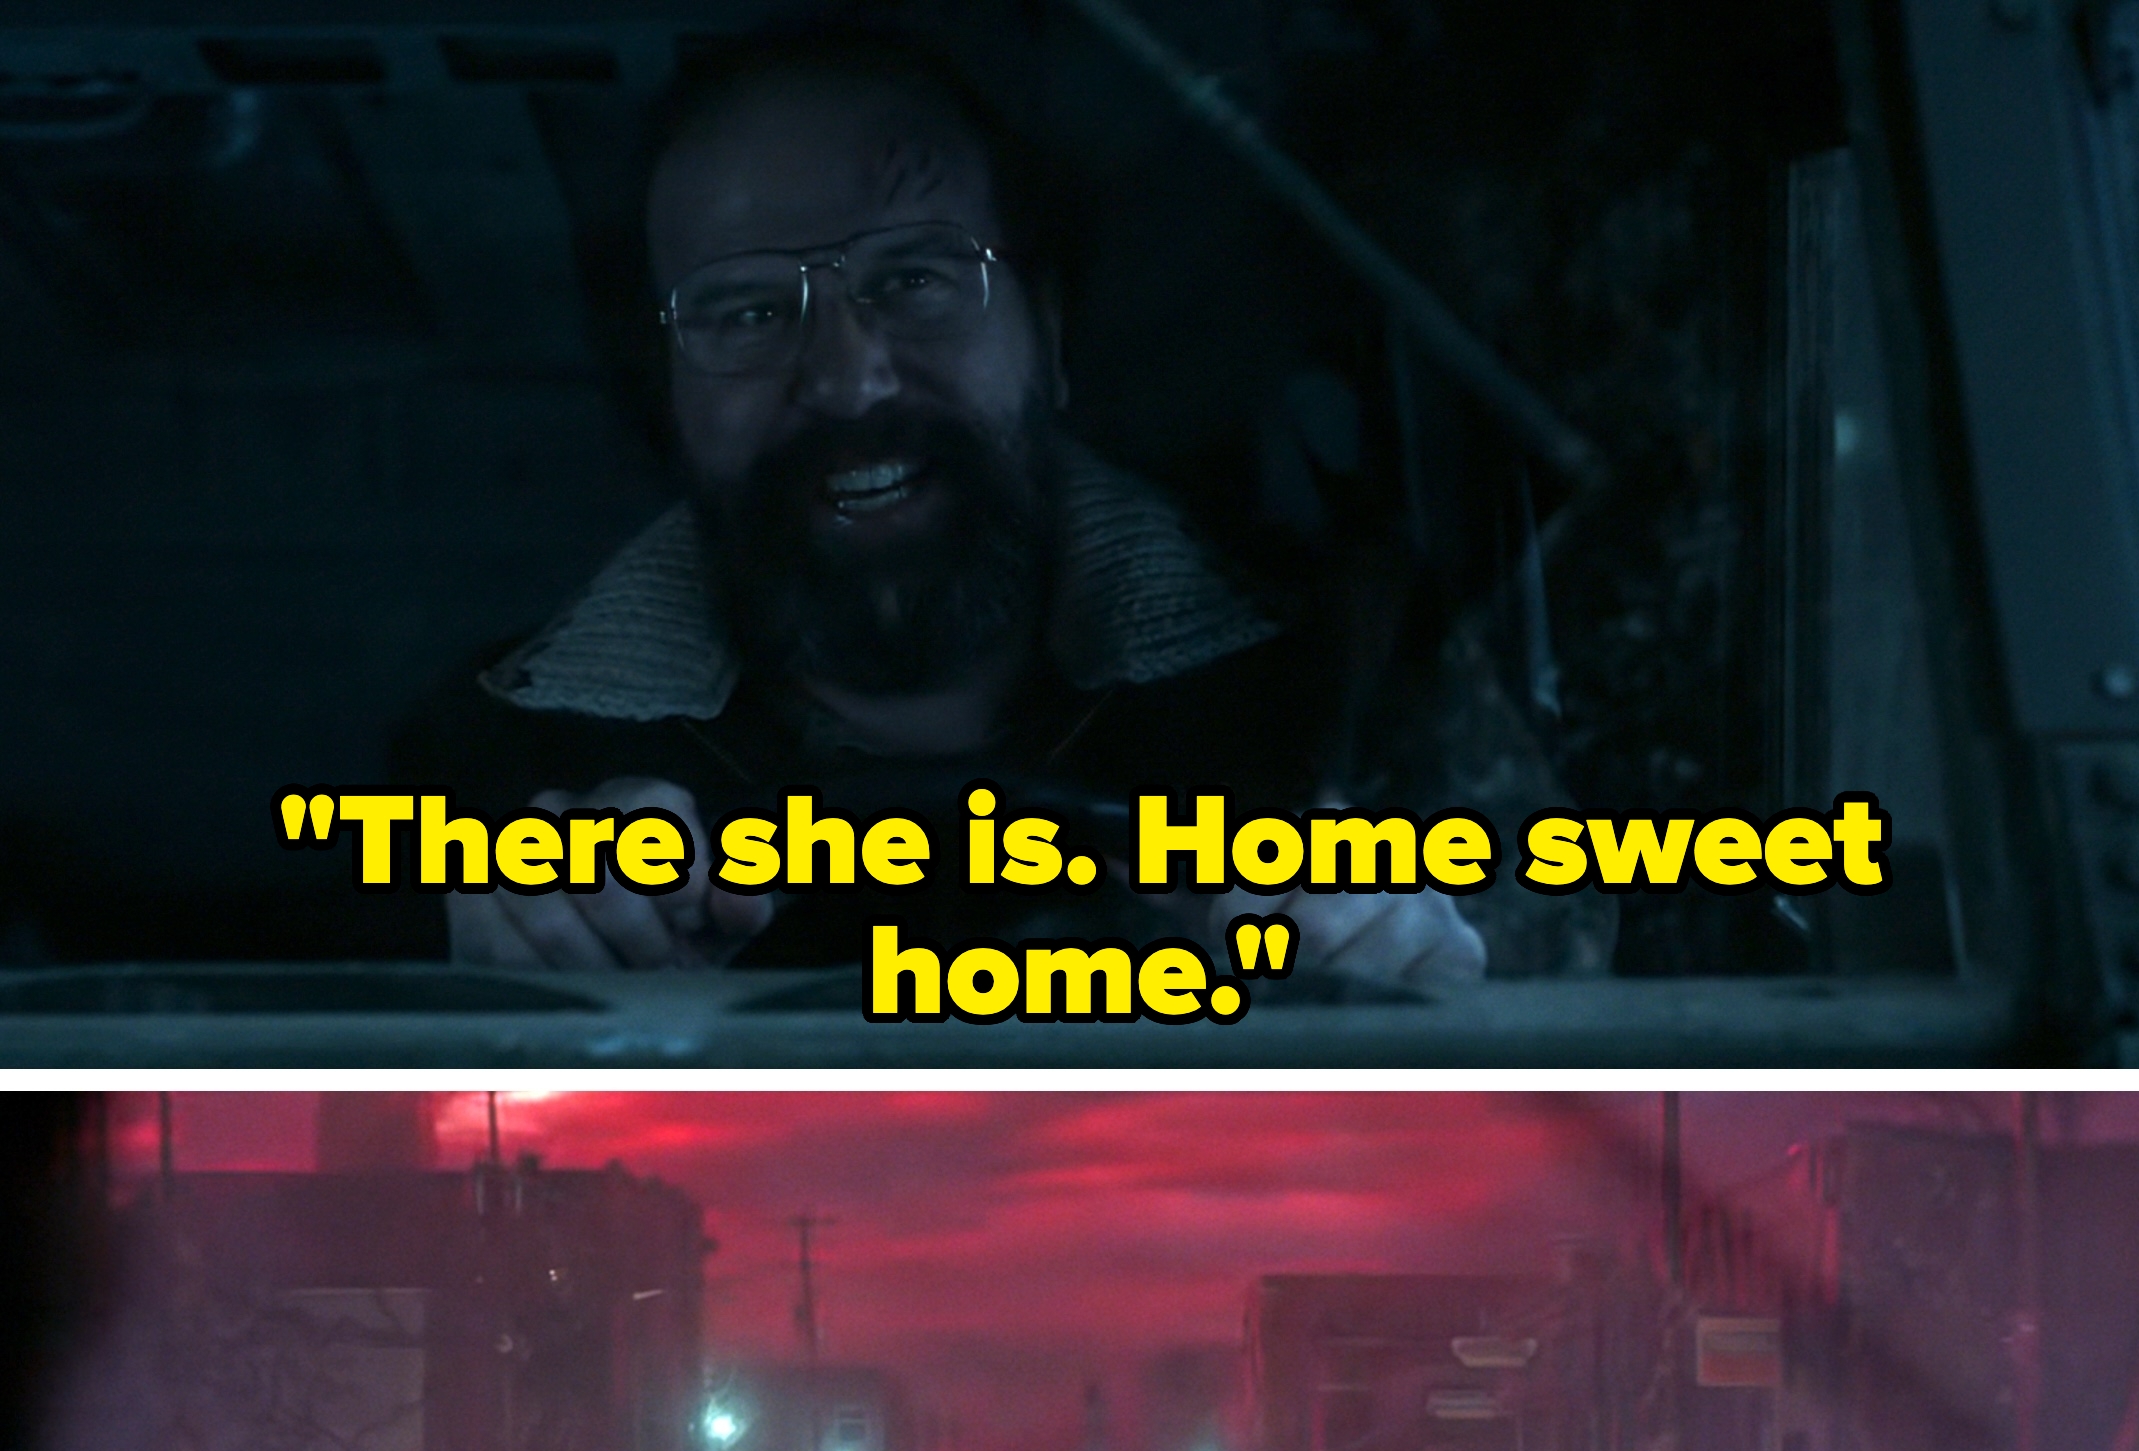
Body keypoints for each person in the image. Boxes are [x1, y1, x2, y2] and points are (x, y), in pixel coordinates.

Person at [409, 25, 1614, 991]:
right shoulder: (493, 761)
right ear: (666, 394)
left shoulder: (1349, 678)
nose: (847, 379)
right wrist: (518, 959)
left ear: (1045, 329)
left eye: (917, 280)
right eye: (742, 311)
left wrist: (1432, 952)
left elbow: (1600, 971)